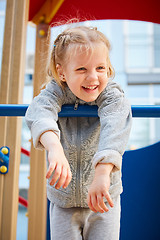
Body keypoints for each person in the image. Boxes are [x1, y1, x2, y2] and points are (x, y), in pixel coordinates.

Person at [25, 24, 132, 240]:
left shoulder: (111, 95)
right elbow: (39, 111)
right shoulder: (55, 91)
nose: (93, 78)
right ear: (62, 72)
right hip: (64, 200)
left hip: (103, 196)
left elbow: (115, 125)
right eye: (82, 69)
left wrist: (103, 172)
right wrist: (54, 148)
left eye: (100, 68)